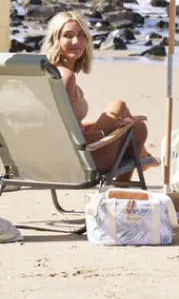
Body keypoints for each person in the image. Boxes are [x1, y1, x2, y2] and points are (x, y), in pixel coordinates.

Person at [40, 11, 159, 179]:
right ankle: (142, 160)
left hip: (55, 160)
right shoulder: (65, 77)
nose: (76, 41)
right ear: (56, 39)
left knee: (133, 126)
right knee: (124, 113)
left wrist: (112, 124)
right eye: (68, 35)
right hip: (80, 163)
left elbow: (64, 123)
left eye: (81, 35)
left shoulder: (44, 74)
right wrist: (106, 132)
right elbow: (64, 134)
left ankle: (140, 160)